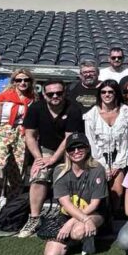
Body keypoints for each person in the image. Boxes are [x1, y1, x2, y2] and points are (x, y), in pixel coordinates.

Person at [19, 79, 84, 238]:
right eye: (50, 94)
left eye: (59, 93)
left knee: (74, 175)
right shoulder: (36, 108)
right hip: (45, 149)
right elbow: (30, 136)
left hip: (71, 149)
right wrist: (39, 159)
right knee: (39, 175)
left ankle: (73, 216)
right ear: (44, 94)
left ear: (64, 92)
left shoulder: (73, 109)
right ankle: (34, 218)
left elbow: (69, 138)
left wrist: (54, 159)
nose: (55, 96)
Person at [0, 68, 36, 218]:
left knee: (17, 173)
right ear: (14, 82)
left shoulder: (34, 99)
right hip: (3, 132)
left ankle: (10, 211)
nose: (22, 83)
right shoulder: (3, 97)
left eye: (26, 80)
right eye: (19, 80)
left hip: (23, 135)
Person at [42, 134, 106, 255]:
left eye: (80, 147)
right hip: (67, 214)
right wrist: (74, 221)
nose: (76, 151)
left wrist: (71, 223)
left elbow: (94, 204)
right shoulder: (60, 171)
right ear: (66, 152)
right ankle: (73, 240)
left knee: (78, 231)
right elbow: (66, 204)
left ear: (87, 148)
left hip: (93, 213)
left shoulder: (97, 169)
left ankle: (83, 236)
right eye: (72, 148)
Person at [84, 79, 128, 203]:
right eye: (103, 92)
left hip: (119, 156)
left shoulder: (126, 112)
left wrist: (117, 165)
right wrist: (104, 167)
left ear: (116, 93)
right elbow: (91, 142)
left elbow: (125, 141)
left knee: (117, 191)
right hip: (98, 157)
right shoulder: (91, 115)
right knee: (100, 192)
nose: (107, 95)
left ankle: (115, 214)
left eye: (110, 92)